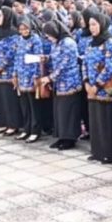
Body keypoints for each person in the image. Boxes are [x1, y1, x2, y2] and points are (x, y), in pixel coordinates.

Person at [83, 10, 112, 164]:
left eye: (95, 24)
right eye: (90, 25)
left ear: (102, 24)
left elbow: (110, 66)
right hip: (92, 88)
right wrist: (87, 82)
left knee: (107, 121)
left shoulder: (110, 42)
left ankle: (111, 154)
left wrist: (97, 85)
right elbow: (85, 63)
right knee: (95, 120)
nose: (92, 28)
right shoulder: (90, 43)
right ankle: (98, 152)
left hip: (105, 88)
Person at [41, 20, 82, 150]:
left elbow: (64, 64)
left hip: (69, 82)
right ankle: (61, 136)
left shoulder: (68, 43)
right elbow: (55, 57)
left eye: (49, 35)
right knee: (60, 111)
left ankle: (70, 138)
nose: (48, 37)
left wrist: (50, 78)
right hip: (59, 83)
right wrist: (47, 58)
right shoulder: (56, 43)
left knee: (68, 111)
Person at [0, 7, 23, 137]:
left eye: (0, 16)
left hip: (7, 72)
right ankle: (2, 123)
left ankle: (13, 125)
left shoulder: (13, 34)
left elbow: (11, 53)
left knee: (9, 99)